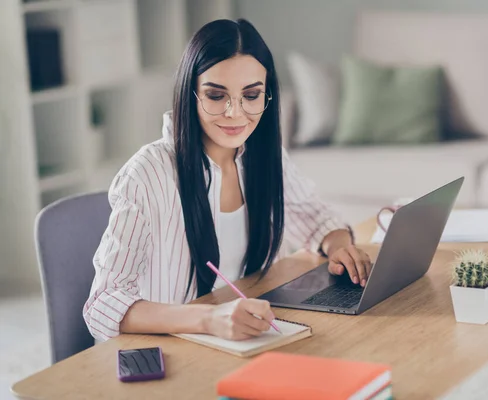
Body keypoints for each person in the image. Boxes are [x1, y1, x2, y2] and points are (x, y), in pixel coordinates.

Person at [83, 18, 372, 342]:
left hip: (251, 339)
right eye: (216, 96)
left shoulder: (263, 155)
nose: (235, 113)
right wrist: (208, 318)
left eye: (251, 95)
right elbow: (102, 304)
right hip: (175, 353)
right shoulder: (147, 174)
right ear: (189, 93)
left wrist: (340, 247)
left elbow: (316, 218)